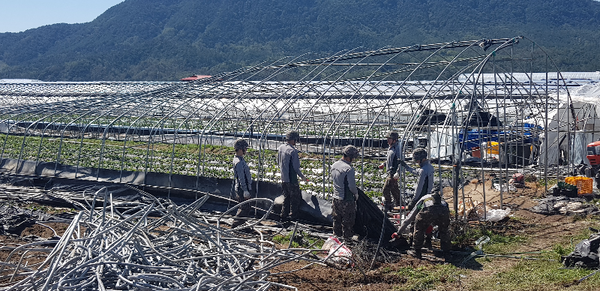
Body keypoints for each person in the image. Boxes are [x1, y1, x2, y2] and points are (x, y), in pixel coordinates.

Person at [393, 192, 451, 259]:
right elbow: (447, 214)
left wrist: (398, 232)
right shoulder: (443, 201)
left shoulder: (423, 199)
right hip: (443, 211)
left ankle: (417, 252)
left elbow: (410, 217)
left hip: (428, 210)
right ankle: (447, 253)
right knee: (444, 230)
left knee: (419, 228)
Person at [277, 130, 309, 221]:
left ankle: (283, 215)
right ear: (293, 140)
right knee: (295, 199)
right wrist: (303, 177)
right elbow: (296, 168)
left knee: (286, 197)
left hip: (283, 178)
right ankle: (293, 216)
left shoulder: (281, 148)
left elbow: (278, 161)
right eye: (296, 140)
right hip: (291, 179)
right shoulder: (293, 151)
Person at [331, 145, 360, 240]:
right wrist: (356, 194)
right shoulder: (348, 169)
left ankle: (336, 241)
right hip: (346, 200)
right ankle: (347, 242)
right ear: (349, 157)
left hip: (336, 198)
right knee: (348, 223)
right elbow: (351, 186)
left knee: (337, 221)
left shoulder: (334, 165)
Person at [378, 131, 402, 211]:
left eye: (390, 139)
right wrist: (384, 164)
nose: (388, 141)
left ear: (395, 140)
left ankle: (388, 206)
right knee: (395, 191)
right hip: (390, 172)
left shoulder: (397, 149)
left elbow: (400, 162)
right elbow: (390, 160)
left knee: (385, 190)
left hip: (392, 173)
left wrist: (398, 172)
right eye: (387, 139)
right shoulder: (391, 148)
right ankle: (400, 205)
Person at [232, 139, 252, 227]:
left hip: (242, 187)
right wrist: (245, 190)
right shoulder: (239, 162)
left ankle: (241, 225)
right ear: (240, 149)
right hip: (241, 188)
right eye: (245, 149)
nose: (246, 151)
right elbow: (241, 178)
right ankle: (236, 224)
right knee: (245, 208)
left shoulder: (240, 159)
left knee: (245, 207)